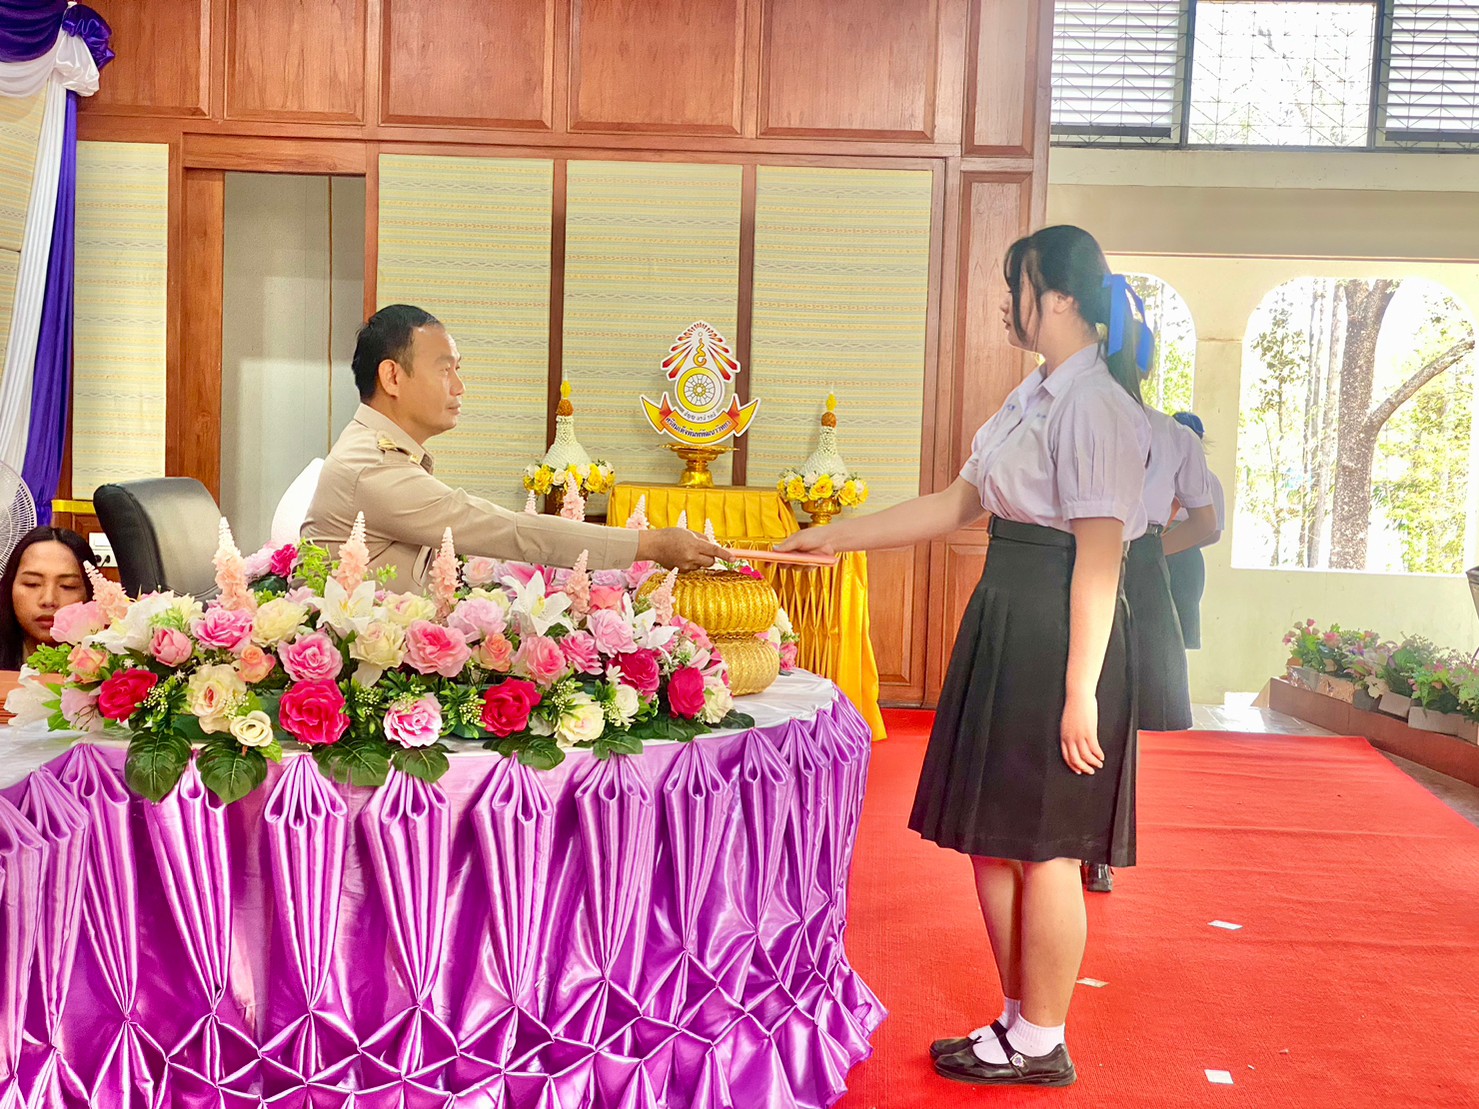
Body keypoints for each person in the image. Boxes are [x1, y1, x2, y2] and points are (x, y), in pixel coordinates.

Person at [779, 225, 1149, 1088]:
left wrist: (1080, 690)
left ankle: (1043, 1039)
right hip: (1008, 613)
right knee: (994, 840)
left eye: (1014, 285)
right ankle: (1017, 1019)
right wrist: (836, 536)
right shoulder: (1031, 395)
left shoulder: (1093, 405)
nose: (1003, 302)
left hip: (1061, 627)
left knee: (1047, 845)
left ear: (1058, 296)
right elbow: (955, 503)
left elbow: (1100, 556)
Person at [303, 305, 725, 587]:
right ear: (393, 377)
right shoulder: (372, 467)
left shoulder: (380, 452)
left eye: (458, 370)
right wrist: (650, 545)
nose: (460, 387)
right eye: (445, 370)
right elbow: (511, 532)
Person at [1082, 398, 1217, 895]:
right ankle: (1078, 843)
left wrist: (1148, 553)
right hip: (1089, 553)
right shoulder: (1079, 414)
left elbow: (1206, 524)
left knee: (1117, 715)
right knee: (1083, 707)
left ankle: (1099, 849)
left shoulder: (1173, 435)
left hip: (1133, 566)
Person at [1163, 411, 1224, 650]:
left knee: (1179, 635)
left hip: (1185, 560)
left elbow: (1213, 531)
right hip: (1151, 553)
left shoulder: (1210, 480)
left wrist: (1177, 542)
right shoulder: (1157, 473)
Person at [0, 527, 96, 670]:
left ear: (89, 594)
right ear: (10, 586)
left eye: (67, 586)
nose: (48, 600)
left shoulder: (113, 661)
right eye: (32, 584)